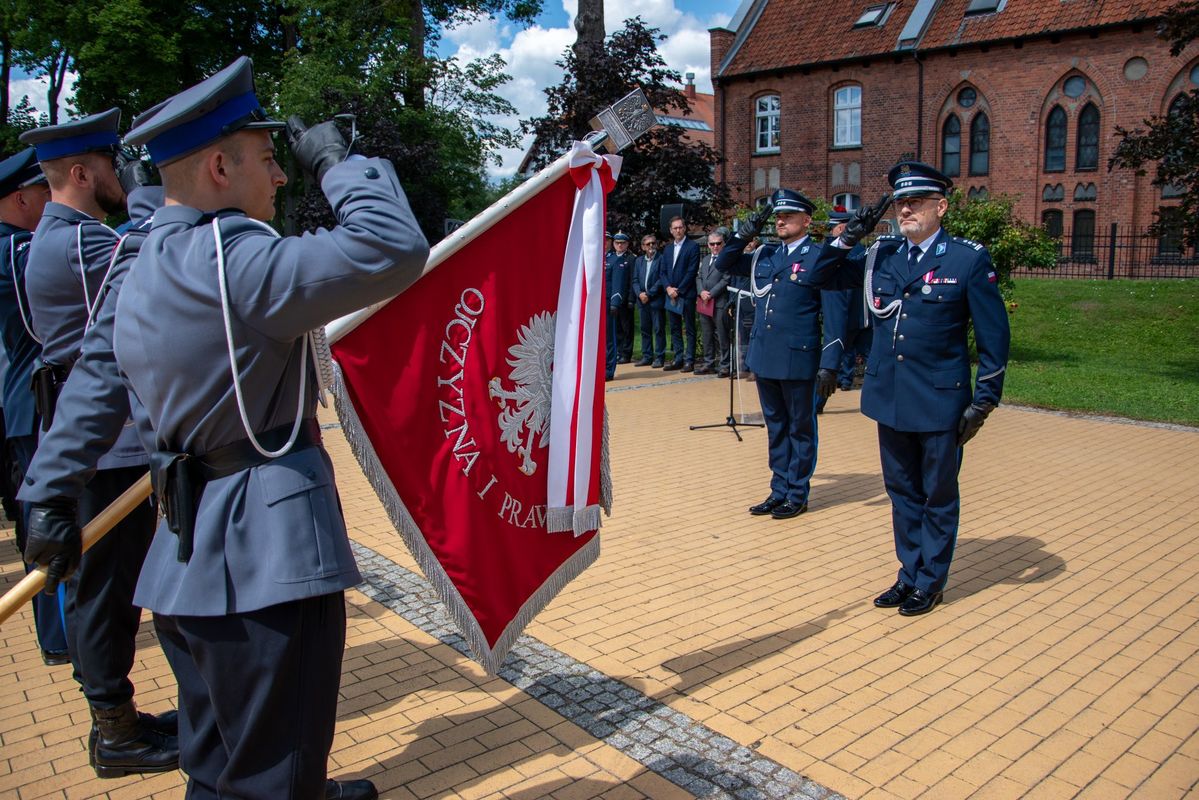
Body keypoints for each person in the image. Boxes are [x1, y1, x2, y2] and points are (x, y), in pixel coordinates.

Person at [116, 56, 426, 798]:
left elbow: (113, 385)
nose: (281, 176)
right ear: (220, 167)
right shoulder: (237, 262)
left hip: (184, 554)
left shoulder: (146, 257)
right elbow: (393, 246)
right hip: (265, 561)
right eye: (267, 158)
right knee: (275, 777)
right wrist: (338, 163)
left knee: (220, 763)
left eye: (290, 160)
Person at [18, 109, 179, 775]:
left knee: (103, 590)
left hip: (98, 444)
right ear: (83, 174)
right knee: (107, 594)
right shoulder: (78, 245)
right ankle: (114, 732)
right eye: (113, 167)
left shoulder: (52, 238)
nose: (121, 177)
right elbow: (157, 253)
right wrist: (152, 195)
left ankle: (118, 719)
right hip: (107, 449)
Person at [819, 161, 1010, 616]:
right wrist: (847, 238)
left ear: (940, 207)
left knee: (938, 494)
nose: (906, 210)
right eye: (901, 203)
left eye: (916, 202)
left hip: (941, 399)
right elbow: (818, 276)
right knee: (902, 492)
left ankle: (932, 580)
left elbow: (994, 337)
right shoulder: (882, 254)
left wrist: (983, 401)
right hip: (891, 396)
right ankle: (909, 574)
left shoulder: (966, 258)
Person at [714, 190, 845, 520]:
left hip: (798, 357)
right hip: (765, 354)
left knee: (800, 426)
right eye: (778, 216)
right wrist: (744, 234)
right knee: (776, 425)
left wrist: (830, 364)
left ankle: (797, 492)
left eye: (789, 216)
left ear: (807, 220)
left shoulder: (819, 256)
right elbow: (723, 263)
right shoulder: (765, 254)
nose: (781, 221)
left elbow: (835, 314)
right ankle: (779, 488)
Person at [0, 148, 69, 666]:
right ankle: (60, 635)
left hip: (29, 403)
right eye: (45, 194)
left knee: (46, 524)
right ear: (21, 198)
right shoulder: (16, 250)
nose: (52, 203)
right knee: (50, 524)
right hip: (35, 405)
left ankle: (61, 634)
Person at [816, 206, 867, 414]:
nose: (832, 232)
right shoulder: (860, 250)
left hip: (843, 314)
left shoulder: (843, 253)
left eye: (835, 227)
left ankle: (817, 403)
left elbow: (840, 291)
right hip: (860, 315)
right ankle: (846, 381)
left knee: (830, 362)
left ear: (844, 227)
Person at [661, 215, 700, 371]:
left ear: (684, 228)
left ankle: (689, 360)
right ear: (671, 231)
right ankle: (678, 358)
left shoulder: (693, 247)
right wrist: (668, 288)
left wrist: (679, 289)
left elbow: (692, 271)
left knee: (689, 328)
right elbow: (662, 272)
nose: (678, 230)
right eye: (675, 228)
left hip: (686, 294)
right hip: (671, 295)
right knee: (675, 328)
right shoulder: (667, 248)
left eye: (680, 227)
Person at [695, 227, 731, 376]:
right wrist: (701, 291)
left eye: (718, 243)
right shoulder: (705, 259)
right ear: (708, 245)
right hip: (704, 302)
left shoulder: (727, 259)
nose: (715, 247)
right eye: (712, 244)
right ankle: (708, 362)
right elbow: (699, 277)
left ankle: (725, 365)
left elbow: (726, 279)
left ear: (723, 244)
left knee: (722, 334)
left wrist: (711, 293)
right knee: (707, 334)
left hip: (719, 302)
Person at [632, 233, 666, 367]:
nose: (651, 246)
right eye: (648, 244)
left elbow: (661, 279)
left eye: (653, 243)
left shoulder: (661, 259)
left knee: (658, 329)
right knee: (645, 329)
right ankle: (647, 356)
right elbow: (634, 280)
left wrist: (649, 294)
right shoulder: (639, 261)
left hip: (655, 300)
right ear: (643, 247)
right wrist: (640, 294)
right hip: (642, 301)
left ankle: (659, 357)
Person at [603, 232, 632, 380]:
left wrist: (615, 302)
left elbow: (617, 283)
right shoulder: (593, 258)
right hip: (595, 304)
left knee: (609, 338)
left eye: (607, 240)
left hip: (608, 303)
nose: (605, 242)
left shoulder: (615, 259)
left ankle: (608, 370)